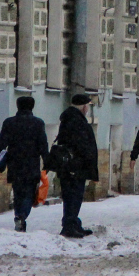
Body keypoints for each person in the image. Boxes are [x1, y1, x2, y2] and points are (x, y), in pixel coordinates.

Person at [0, 96, 48, 232]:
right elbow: (43, 146)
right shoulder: (38, 123)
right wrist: (47, 162)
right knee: (29, 193)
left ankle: (18, 215)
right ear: (32, 107)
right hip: (31, 164)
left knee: (18, 192)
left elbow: (1, 145)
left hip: (15, 163)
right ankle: (22, 216)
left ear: (17, 106)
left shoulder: (9, 123)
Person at [54, 93, 99, 238]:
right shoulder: (75, 121)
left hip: (72, 165)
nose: (88, 109)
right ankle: (69, 225)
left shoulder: (71, 119)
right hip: (75, 166)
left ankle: (72, 222)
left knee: (73, 195)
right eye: (87, 106)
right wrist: (86, 160)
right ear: (84, 106)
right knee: (73, 195)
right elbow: (81, 145)